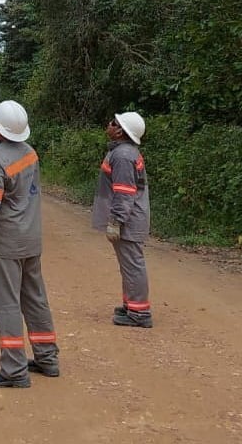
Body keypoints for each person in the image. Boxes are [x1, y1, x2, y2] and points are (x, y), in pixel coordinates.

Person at [0, 100, 60, 388]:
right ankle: (47, 358)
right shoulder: (30, 152)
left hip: (6, 243)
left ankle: (14, 370)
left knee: (6, 304)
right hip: (30, 239)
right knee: (35, 300)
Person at [92, 111, 152, 328]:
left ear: (120, 132)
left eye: (113, 123)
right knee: (128, 265)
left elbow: (124, 192)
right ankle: (131, 305)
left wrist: (116, 221)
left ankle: (140, 313)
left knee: (132, 265)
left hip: (129, 220)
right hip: (130, 218)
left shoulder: (123, 155)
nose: (109, 124)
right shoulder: (124, 152)